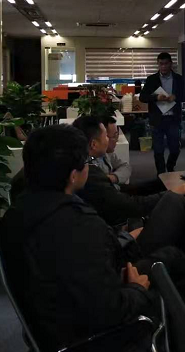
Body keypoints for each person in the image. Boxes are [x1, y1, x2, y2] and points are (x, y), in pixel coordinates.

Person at [0, 125, 154, 351]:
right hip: (92, 336)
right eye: (86, 163)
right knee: (169, 261)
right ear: (74, 175)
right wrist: (136, 289)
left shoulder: (14, 215)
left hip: (52, 321)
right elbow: (108, 311)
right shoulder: (77, 224)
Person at [139, 52, 184, 175]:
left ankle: (170, 167)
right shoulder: (151, 79)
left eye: (165, 64)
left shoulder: (178, 79)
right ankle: (161, 174)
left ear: (171, 64)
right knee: (158, 150)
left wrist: (176, 97)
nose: (163, 67)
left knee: (175, 148)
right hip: (157, 119)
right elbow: (142, 97)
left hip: (173, 118)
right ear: (158, 64)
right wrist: (156, 97)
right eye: (161, 64)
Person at [99, 116, 166, 195]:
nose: (117, 140)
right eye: (114, 136)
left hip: (117, 188)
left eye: (117, 135)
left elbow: (126, 166)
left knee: (161, 184)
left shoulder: (107, 153)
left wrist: (113, 177)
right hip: (112, 195)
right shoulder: (92, 164)